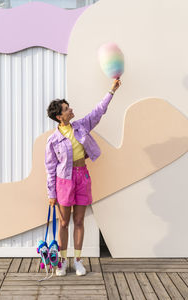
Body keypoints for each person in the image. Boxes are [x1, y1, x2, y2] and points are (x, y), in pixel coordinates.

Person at [45, 78, 121, 276]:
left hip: (82, 177)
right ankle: (61, 262)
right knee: (63, 223)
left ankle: (78, 261)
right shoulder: (53, 140)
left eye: (69, 107)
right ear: (59, 117)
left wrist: (111, 91)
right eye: (66, 109)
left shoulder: (81, 126)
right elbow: (50, 168)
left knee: (79, 221)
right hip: (63, 182)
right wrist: (51, 193)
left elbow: (98, 111)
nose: (71, 110)